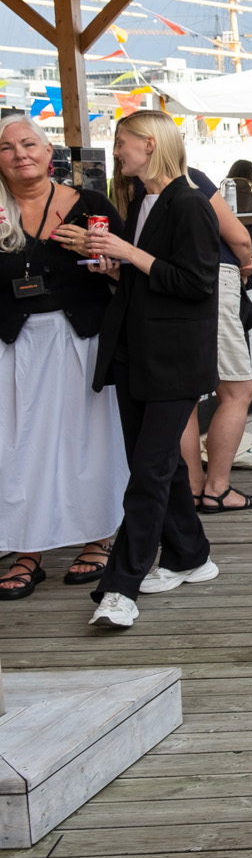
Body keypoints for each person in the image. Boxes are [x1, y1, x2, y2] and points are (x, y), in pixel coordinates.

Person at [83, 110, 223, 630]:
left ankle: (120, 586)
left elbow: (196, 282)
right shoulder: (144, 200)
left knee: (148, 471)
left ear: (148, 144)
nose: (115, 151)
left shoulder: (187, 202)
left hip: (174, 361)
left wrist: (128, 254)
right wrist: (117, 267)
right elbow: (158, 278)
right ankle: (190, 555)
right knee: (154, 466)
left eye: (121, 142)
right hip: (137, 352)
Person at [0, 117, 127, 601]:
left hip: (78, 338)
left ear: (48, 149)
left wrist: (107, 260)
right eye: (8, 148)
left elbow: (122, 269)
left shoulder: (89, 205)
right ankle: (26, 548)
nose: (19, 154)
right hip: (13, 342)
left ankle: (97, 536)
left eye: (28, 143)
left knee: (85, 440)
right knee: (16, 444)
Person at [178, 162, 252, 514]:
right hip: (214, 277)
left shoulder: (128, 185)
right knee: (237, 390)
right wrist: (246, 262)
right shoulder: (188, 176)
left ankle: (191, 488)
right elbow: (240, 236)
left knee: (184, 397)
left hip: (169, 285)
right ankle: (215, 489)